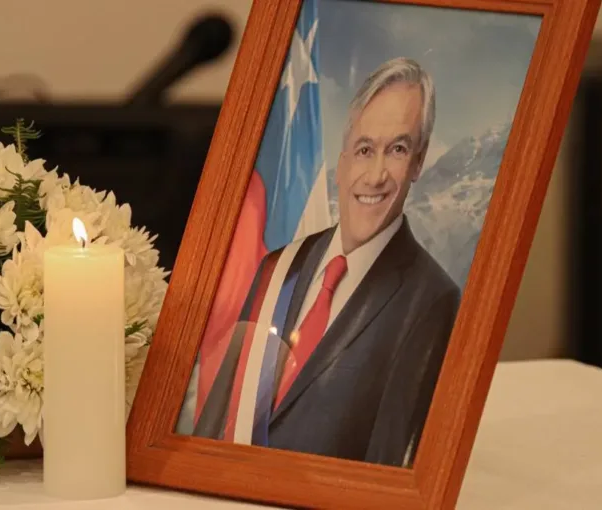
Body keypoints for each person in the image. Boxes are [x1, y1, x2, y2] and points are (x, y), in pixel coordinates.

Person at [192, 58, 461, 467]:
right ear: (343, 159)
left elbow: (388, 469)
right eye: (365, 149)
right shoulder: (278, 267)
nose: (374, 175)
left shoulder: (431, 300)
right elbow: (215, 418)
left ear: (418, 163)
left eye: (398, 150)